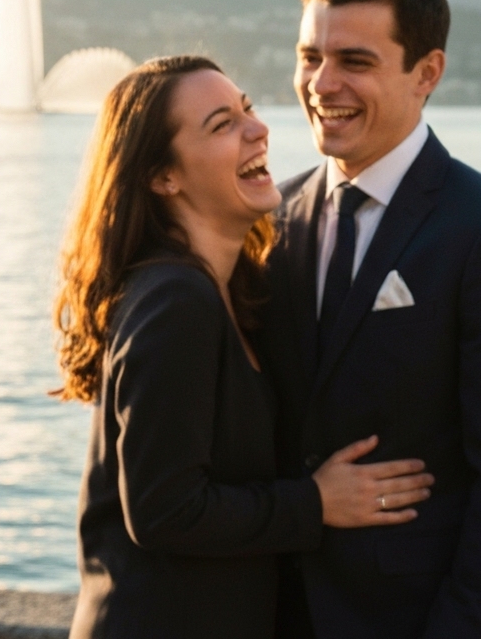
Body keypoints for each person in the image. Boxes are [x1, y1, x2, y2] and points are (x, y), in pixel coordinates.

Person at [55, 56, 433, 639]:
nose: (257, 129)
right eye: (221, 124)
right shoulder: (175, 302)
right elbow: (163, 511)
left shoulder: (231, 289)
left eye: (248, 109)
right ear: (164, 177)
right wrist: (315, 503)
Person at [259, 0, 481, 639]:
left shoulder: (473, 226)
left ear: (427, 75)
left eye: (354, 61)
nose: (322, 84)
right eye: (309, 56)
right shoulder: (270, 217)